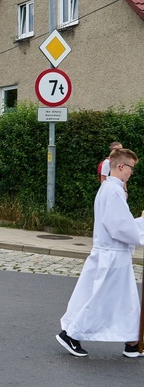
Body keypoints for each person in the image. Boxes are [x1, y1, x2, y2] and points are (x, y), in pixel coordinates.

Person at [56, 148, 144, 358]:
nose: (132, 173)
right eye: (131, 168)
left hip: (109, 252)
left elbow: (119, 222)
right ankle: (71, 334)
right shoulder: (113, 191)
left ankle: (133, 342)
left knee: (124, 301)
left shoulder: (108, 188)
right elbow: (119, 227)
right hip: (112, 255)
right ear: (122, 166)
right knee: (101, 300)